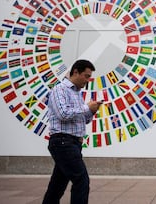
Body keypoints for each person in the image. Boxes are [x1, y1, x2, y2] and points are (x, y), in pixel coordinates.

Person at [43, 59, 102, 204]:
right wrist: (86, 108)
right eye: (86, 76)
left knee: (57, 185)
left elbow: (82, 119)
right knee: (81, 180)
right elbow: (63, 114)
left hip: (73, 144)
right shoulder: (60, 89)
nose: (87, 80)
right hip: (63, 142)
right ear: (76, 72)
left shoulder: (77, 93)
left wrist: (92, 111)